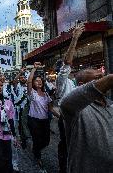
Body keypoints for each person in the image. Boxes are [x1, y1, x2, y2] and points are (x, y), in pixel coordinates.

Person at [60, 70, 113, 173]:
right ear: (82, 85)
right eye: (98, 78)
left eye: (104, 77)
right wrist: (110, 78)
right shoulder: (77, 110)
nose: (103, 80)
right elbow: (64, 103)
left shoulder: (110, 105)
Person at [55, 25, 84, 173]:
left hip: (77, 118)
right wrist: (74, 39)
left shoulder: (73, 82)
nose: (71, 67)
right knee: (67, 146)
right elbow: (66, 64)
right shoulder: (61, 80)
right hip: (66, 119)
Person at [27, 62, 60, 168]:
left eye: (40, 81)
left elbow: (50, 108)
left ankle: (36, 149)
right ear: (33, 82)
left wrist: (60, 116)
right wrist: (34, 69)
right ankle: (38, 157)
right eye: (36, 81)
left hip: (44, 121)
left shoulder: (46, 94)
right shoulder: (32, 93)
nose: (39, 82)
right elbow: (28, 82)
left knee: (46, 141)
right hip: (34, 120)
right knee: (37, 139)